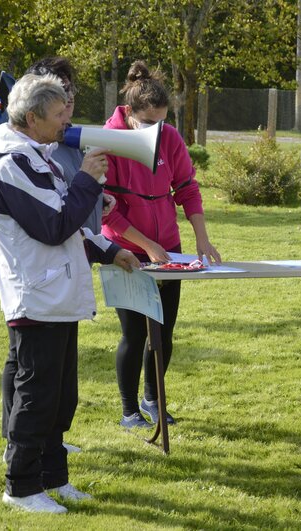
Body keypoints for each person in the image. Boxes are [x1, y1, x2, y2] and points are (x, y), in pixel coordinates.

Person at [0, 73, 140, 513]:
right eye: (56, 114)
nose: (64, 122)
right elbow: (54, 227)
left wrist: (110, 250)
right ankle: (21, 487)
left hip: (55, 295)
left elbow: (65, 222)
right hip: (37, 297)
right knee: (38, 397)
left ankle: (53, 477)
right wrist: (86, 180)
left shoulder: (35, 156)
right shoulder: (10, 166)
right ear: (31, 118)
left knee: (59, 397)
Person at [101, 60, 221, 430]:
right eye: (149, 122)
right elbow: (106, 211)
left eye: (162, 122)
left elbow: (187, 188)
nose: (157, 130)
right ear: (130, 112)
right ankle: (129, 412)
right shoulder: (109, 140)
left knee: (163, 332)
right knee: (135, 334)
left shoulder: (169, 137)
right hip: (125, 251)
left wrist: (201, 237)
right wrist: (146, 245)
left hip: (168, 249)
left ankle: (153, 400)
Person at [25, 56, 113, 234]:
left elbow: (69, 190)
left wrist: (97, 198)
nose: (70, 96)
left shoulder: (73, 139)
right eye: (62, 90)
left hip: (82, 249)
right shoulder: (31, 151)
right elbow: (51, 218)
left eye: (70, 88)